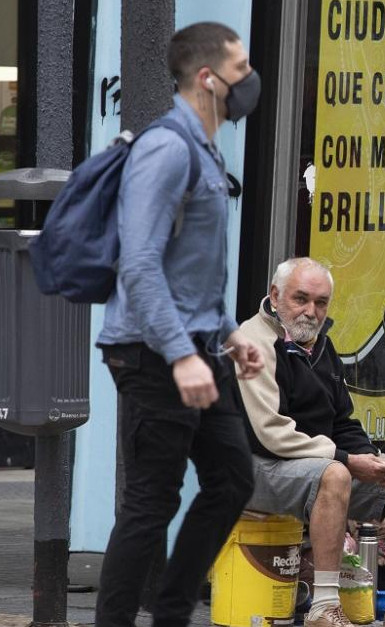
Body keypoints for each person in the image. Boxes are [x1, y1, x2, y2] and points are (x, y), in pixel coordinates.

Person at [93, 22, 264, 627]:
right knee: (151, 500)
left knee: (230, 480)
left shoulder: (206, 148)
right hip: (151, 351)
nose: (251, 80)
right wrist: (181, 354)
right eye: (241, 68)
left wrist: (228, 333)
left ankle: (170, 611)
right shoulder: (166, 148)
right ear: (207, 78)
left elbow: (191, 269)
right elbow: (139, 264)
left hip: (196, 344)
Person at [234, 257, 385, 627]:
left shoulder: (320, 345)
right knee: (335, 474)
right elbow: (270, 433)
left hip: (311, 463)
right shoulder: (251, 343)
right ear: (275, 296)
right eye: (301, 299)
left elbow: (342, 420)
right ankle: (324, 608)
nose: (311, 311)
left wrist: (372, 459)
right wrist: (346, 460)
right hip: (255, 466)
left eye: (321, 302)